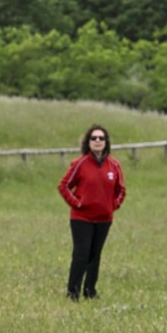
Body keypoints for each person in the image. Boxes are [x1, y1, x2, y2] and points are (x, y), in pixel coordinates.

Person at [57, 124, 126, 301]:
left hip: (104, 219)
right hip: (82, 218)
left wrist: (113, 205)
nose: (97, 141)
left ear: (106, 142)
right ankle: (73, 292)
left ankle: (90, 290)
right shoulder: (79, 164)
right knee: (81, 254)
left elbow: (121, 190)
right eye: (93, 138)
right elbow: (64, 186)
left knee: (95, 255)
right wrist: (77, 203)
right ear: (88, 142)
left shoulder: (114, 165)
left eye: (101, 138)